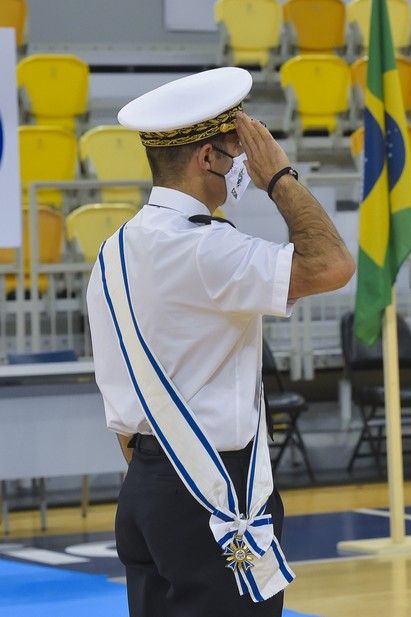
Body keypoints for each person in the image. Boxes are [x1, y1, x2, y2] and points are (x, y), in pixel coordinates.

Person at [86, 67, 354, 616]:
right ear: (206, 158)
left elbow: (121, 394)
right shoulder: (206, 250)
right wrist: (280, 177)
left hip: (146, 485)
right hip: (209, 490)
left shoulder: (112, 252)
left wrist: (161, 472)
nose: (238, 168)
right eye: (232, 154)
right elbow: (331, 264)